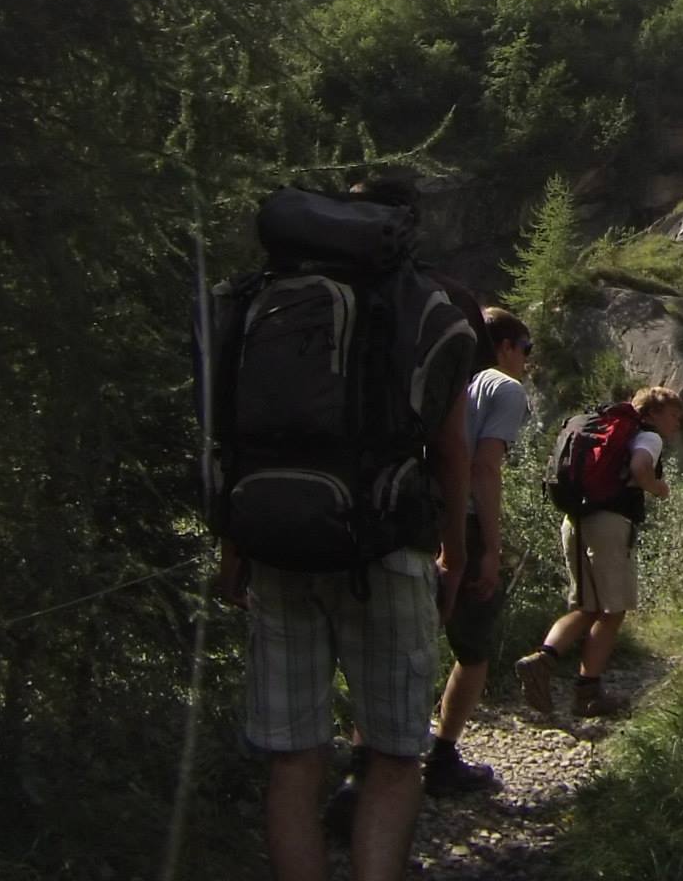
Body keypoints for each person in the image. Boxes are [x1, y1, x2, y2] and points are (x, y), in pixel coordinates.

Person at [224, 179, 479, 881]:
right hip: (387, 544)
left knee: (294, 758)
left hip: (277, 545)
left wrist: (233, 547)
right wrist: (454, 553)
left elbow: (234, 436)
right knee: (395, 757)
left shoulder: (263, 297)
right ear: (407, 225)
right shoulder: (435, 301)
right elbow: (452, 448)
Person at [514, 385, 683, 719]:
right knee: (613, 610)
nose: (678, 424)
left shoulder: (598, 426)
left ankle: (545, 663)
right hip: (609, 524)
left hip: (574, 519)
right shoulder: (647, 436)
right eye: (675, 416)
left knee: (587, 606)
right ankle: (584, 690)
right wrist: (658, 488)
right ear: (653, 413)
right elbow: (640, 468)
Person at [420, 306, 531, 795]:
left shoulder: (436, 374)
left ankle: (371, 762)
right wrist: (490, 546)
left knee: (401, 640)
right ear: (505, 346)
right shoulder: (503, 388)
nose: (526, 361)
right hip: (461, 522)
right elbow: (485, 469)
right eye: (525, 350)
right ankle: (442, 757)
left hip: (409, 519)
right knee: (472, 648)